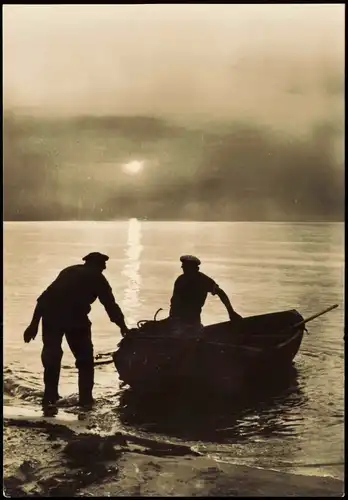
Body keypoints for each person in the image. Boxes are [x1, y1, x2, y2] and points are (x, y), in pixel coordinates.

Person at [23, 252, 129, 409]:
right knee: (85, 360)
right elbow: (110, 305)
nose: (104, 268)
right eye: (102, 265)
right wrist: (122, 326)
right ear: (97, 265)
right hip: (75, 319)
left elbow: (44, 297)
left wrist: (33, 324)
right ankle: (85, 400)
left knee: (52, 356)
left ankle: (49, 396)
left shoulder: (69, 271)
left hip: (51, 316)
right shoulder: (97, 278)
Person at [169, 255, 242, 328]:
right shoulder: (180, 280)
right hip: (177, 321)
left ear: (196, 269)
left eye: (186, 267)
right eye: (183, 267)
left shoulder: (203, 280)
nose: (183, 269)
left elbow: (220, 292)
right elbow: (174, 301)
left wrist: (230, 312)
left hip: (193, 322)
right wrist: (172, 318)